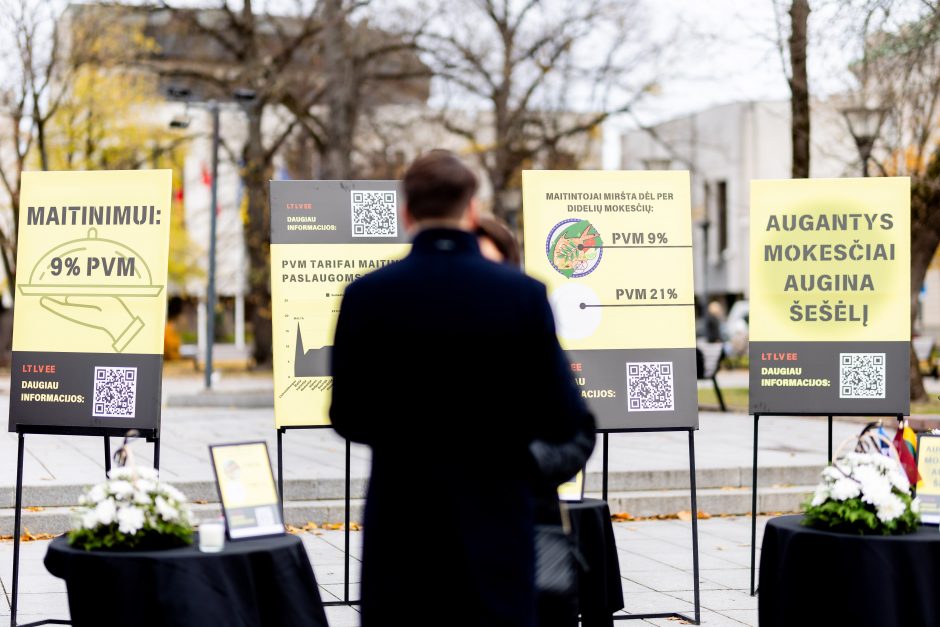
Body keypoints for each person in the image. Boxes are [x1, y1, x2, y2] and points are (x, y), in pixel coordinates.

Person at [330, 151, 595, 627]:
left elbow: (347, 415)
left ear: (405, 211)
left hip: (402, 525)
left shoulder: (366, 294)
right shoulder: (522, 294)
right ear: (472, 210)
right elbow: (566, 419)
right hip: (496, 525)